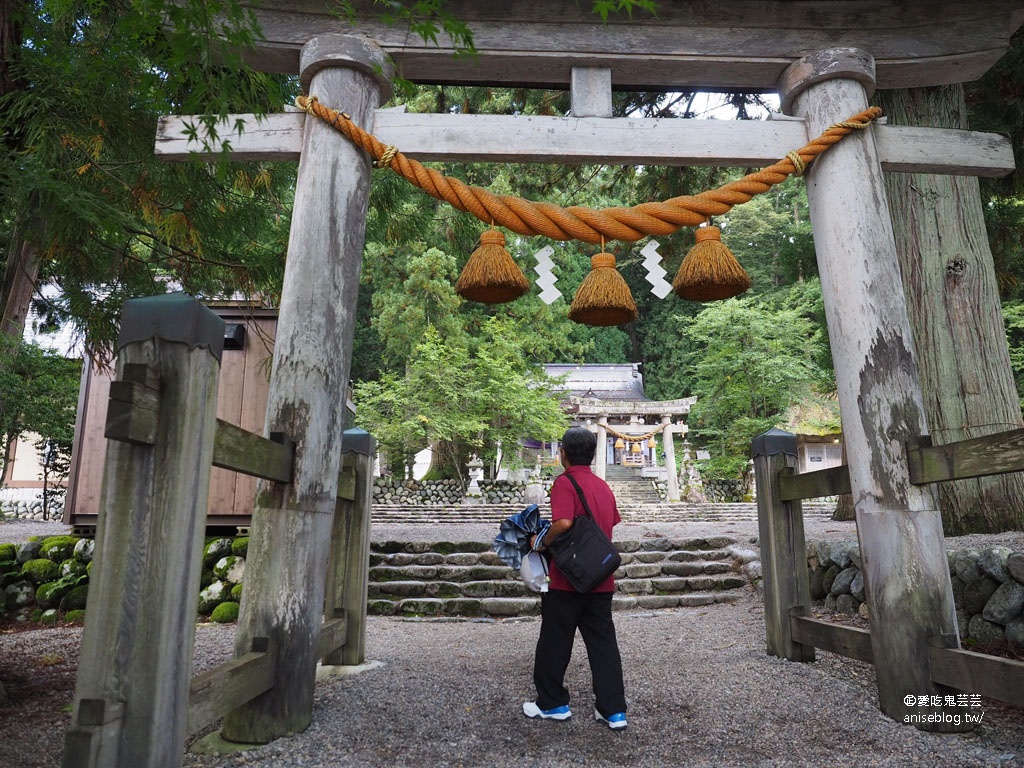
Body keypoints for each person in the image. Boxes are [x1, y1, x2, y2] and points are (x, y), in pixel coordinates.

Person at [523, 426, 627, 730]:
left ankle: (552, 703)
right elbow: (610, 524)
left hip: (567, 579)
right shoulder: (603, 487)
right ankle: (613, 710)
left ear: (563, 454)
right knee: (603, 645)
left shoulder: (565, 483)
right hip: (600, 578)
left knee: (555, 641)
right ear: (593, 455)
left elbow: (565, 522)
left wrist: (541, 541)